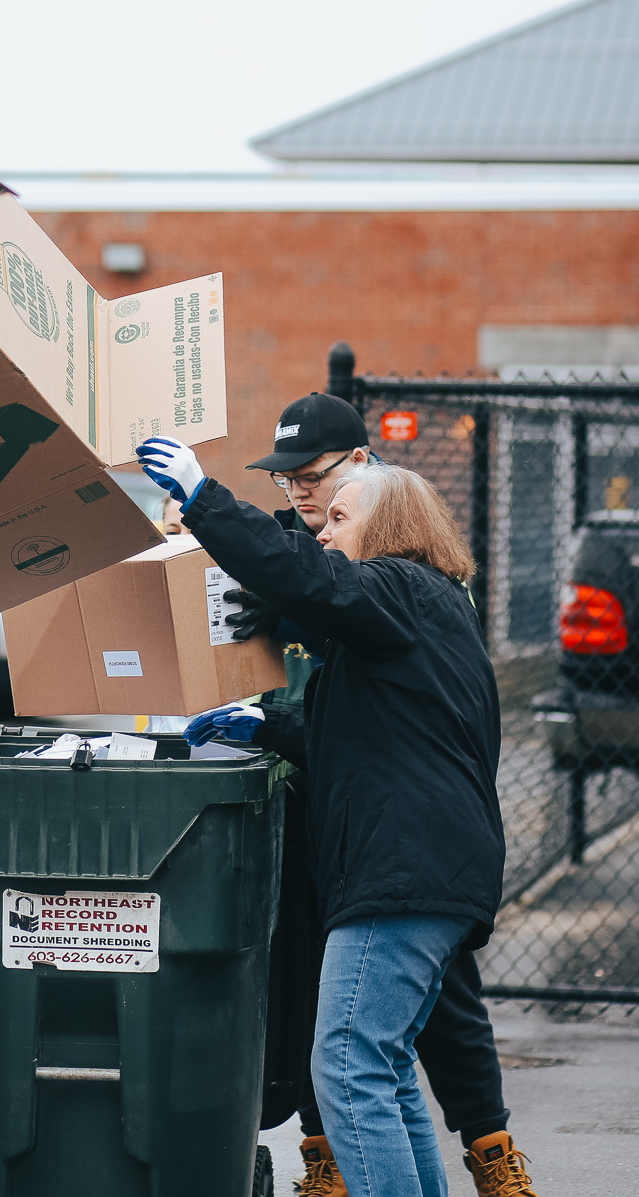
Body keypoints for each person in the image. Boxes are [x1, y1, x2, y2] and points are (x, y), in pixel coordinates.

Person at [139, 437, 506, 1197]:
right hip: (429, 870)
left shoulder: (396, 587)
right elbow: (369, 738)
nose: (324, 533)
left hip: (402, 873)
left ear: (391, 526)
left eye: (338, 516)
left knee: (344, 1064)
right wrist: (264, 726)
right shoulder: (421, 612)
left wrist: (203, 498)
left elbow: (310, 580)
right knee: (383, 1067)